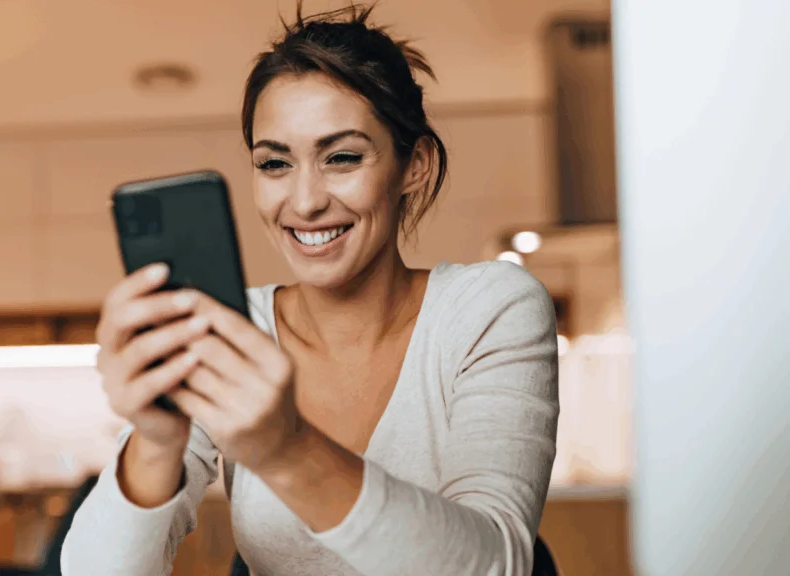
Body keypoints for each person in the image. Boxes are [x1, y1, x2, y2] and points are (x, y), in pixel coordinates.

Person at [62, 4, 559, 575]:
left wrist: (285, 448)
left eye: (342, 157)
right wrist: (154, 440)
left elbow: (499, 565)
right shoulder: (228, 327)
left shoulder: (489, 308)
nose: (304, 202)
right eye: (274, 164)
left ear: (415, 165)